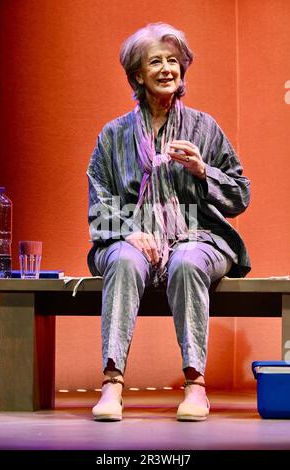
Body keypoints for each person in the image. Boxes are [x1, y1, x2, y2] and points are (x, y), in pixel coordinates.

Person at [87, 22, 251, 422]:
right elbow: (99, 201)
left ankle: (195, 385)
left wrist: (202, 171)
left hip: (199, 234)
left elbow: (240, 194)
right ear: (137, 75)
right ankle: (112, 384)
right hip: (132, 236)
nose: (167, 69)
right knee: (124, 259)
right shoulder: (114, 135)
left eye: (173, 61)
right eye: (155, 61)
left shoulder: (204, 127)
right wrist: (130, 231)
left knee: (187, 260)